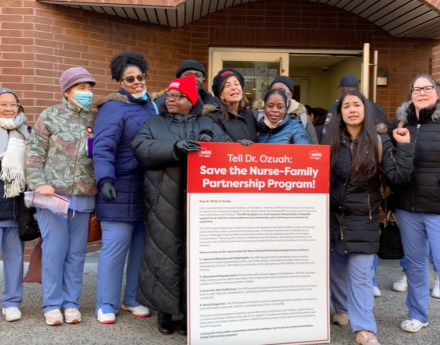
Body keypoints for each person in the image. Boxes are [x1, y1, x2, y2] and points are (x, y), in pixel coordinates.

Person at [132, 75, 232, 336]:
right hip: (163, 199)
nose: (171, 99)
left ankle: (190, 312)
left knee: (194, 257)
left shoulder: (207, 122)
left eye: (178, 96)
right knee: (163, 254)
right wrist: (174, 147)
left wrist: (219, 143)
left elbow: (226, 147)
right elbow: (141, 148)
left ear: (191, 100)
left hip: (199, 201)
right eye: (169, 95)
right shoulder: (154, 123)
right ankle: (165, 311)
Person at [324, 90, 414, 345]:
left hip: (364, 217)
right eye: (346, 106)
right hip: (333, 217)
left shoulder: (379, 140)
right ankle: (342, 309)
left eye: (357, 105)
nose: (352, 109)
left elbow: (398, 177)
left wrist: (404, 147)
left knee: (362, 276)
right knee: (336, 271)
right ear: (340, 114)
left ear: (365, 110)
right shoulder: (329, 143)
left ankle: (364, 328)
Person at [26, 67, 97, 326]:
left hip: (85, 196)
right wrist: (39, 183)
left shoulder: (95, 119)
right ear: (66, 91)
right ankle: (52, 304)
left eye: (89, 88)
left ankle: (71, 303)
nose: (87, 93)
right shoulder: (50, 116)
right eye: (81, 88)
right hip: (53, 198)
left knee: (77, 253)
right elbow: (34, 154)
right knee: (55, 251)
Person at [92, 51, 158, 324]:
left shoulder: (152, 107)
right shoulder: (113, 108)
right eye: (129, 79)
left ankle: (132, 298)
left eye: (140, 76)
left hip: (147, 189)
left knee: (141, 250)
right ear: (120, 81)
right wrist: (105, 180)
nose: (136, 82)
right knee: (115, 249)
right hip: (118, 188)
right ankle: (105, 304)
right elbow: (103, 146)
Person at [391, 74, 440, 333]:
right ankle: (418, 315)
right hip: (407, 207)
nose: (422, 92)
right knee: (415, 264)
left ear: (437, 92)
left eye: (427, 88)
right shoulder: (401, 124)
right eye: (416, 89)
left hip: (437, 207)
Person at [0, 88, 30, 322]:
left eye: (13, 104)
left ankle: (11, 302)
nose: (9, 108)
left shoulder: (26, 133)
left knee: (14, 258)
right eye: (3, 104)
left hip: (14, 208)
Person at [253, 76, 319, 144]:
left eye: (282, 91)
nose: (275, 110)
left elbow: (311, 150)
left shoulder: (300, 120)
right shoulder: (257, 116)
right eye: (274, 90)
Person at [323, 74, 391, 138]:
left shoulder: (336, 106)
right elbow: (387, 130)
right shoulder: (376, 107)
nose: (352, 110)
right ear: (358, 88)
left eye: (357, 105)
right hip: (372, 146)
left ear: (342, 89)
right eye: (347, 107)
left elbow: (326, 132)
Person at [205, 68, 257, 145]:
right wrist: (236, 147)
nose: (234, 87)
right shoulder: (213, 117)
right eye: (227, 85)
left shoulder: (249, 114)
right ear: (221, 95)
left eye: (236, 84)